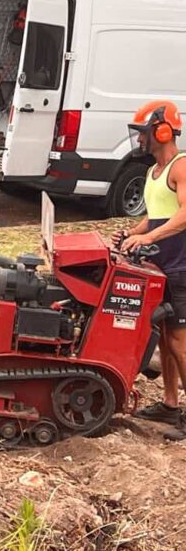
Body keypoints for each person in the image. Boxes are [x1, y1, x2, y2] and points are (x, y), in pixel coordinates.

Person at [113, 100, 186, 441]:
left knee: (179, 341)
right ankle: (170, 404)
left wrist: (151, 236)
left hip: (181, 265)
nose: (140, 139)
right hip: (160, 264)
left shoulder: (180, 166)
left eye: (144, 133)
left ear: (162, 130)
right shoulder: (152, 172)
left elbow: (184, 214)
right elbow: (154, 215)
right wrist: (133, 234)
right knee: (166, 339)